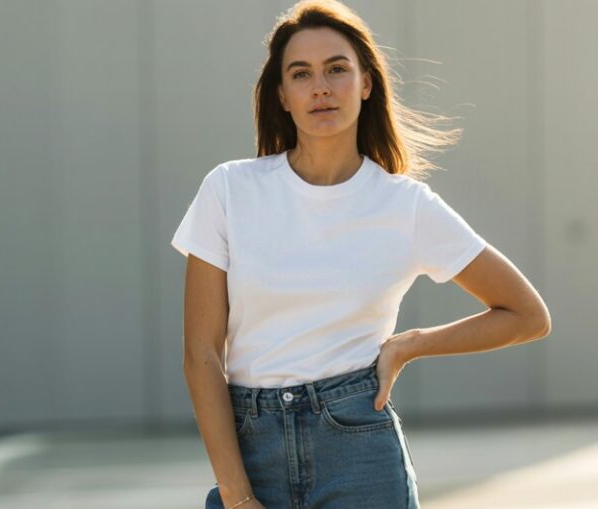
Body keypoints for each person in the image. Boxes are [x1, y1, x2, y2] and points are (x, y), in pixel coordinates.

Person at [171, 1, 551, 507]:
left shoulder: (405, 205)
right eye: (301, 74)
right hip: (250, 451)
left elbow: (526, 315)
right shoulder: (229, 190)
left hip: (359, 449)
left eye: (337, 69)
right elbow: (200, 354)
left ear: (366, 82)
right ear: (282, 95)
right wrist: (238, 495)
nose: (321, 87)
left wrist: (409, 344)